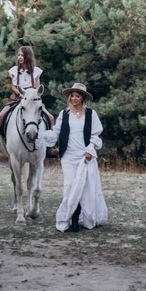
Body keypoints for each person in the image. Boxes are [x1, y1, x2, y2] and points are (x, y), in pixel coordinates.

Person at [42, 83, 108, 232]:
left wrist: (90, 150)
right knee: (70, 186)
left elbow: (95, 135)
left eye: (77, 96)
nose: (74, 98)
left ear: (82, 98)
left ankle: (80, 217)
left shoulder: (91, 114)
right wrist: (42, 134)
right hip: (68, 156)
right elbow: (56, 133)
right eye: (72, 95)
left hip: (84, 156)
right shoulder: (64, 114)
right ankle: (71, 219)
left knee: (84, 188)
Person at [0, 46, 57, 158]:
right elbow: (13, 87)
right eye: (18, 55)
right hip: (17, 98)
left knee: (50, 118)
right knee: (0, 117)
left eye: (22, 55)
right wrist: (21, 93)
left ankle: (51, 147)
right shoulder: (14, 70)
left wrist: (30, 94)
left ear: (28, 56)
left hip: (32, 100)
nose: (19, 57)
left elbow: (37, 88)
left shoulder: (36, 71)